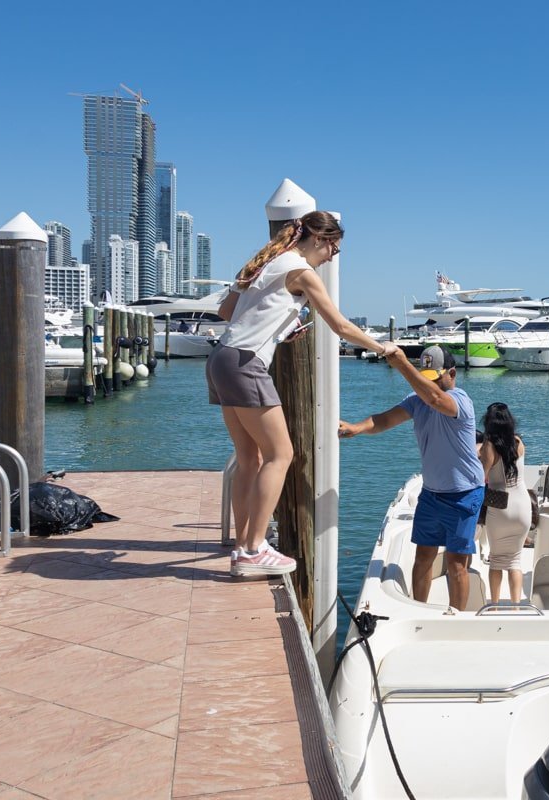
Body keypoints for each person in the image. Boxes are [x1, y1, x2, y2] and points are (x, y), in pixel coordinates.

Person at [207, 210, 399, 577]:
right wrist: (381, 348)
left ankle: (244, 546)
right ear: (321, 240)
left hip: (222, 358)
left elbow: (227, 311)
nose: (331, 258)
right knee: (281, 454)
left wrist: (279, 330)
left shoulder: (270, 263)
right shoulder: (301, 271)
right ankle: (252, 549)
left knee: (250, 458)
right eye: (335, 250)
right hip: (245, 363)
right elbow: (341, 325)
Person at [338, 345, 484, 610]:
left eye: (435, 379)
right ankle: (420, 609)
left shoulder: (460, 399)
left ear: (451, 373)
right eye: (425, 378)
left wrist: (403, 365)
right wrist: (357, 427)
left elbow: (437, 400)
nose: (429, 386)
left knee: (456, 564)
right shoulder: (417, 401)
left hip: (464, 494)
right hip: (431, 493)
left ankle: (458, 618)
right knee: (423, 556)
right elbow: (384, 420)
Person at [479, 402, 530, 604]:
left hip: (501, 508)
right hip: (523, 507)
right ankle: (516, 607)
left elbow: (481, 477)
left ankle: (494, 606)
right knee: (515, 561)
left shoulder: (489, 446)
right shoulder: (518, 442)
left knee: (497, 561)